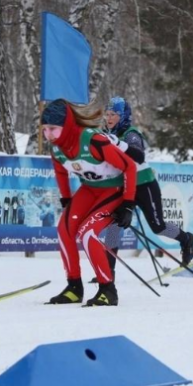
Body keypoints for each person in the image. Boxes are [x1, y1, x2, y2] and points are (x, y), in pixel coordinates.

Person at [42, 99, 138, 307]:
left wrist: (128, 204)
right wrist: (66, 197)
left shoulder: (92, 140)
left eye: (53, 129)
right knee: (64, 230)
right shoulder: (57, 149)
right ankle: (74, 287)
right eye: (45, 130)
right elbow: (60, 171)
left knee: (87, 233)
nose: (49, 135)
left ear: (66, 126)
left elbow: (129, 166)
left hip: (114, 190)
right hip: (89, 190)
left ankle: (107, 289)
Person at [100, 97, 193, 277]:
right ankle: (107, 271)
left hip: (144, 186)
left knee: (157, 226)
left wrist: (117, 143)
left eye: (114, 114)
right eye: (107, 114)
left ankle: (186, 238)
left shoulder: (130, 133)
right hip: (125, 187)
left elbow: (138, 155)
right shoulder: (106, 134)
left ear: (123, 116)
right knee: (114, 225)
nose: (109, 118)